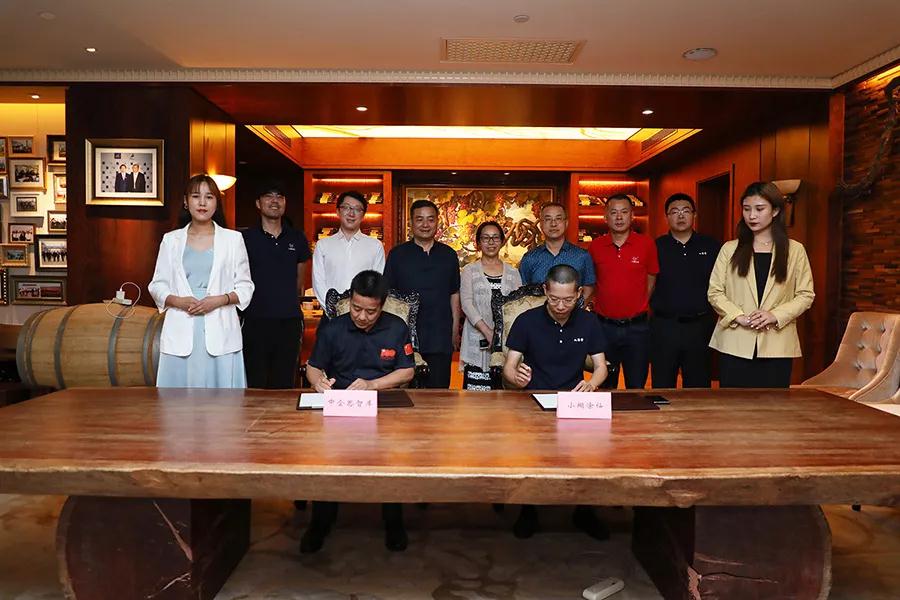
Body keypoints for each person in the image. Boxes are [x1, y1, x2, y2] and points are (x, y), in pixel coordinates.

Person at [303, 270, 415, 553]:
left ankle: (394, 521)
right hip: (340, 403)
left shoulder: (396, 327)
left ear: (382, 305)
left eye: (370, 311)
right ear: (351, 301)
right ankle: (320, 521)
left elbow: (407, 371)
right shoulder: (333, 329)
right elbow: (313, 367)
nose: (362, 316)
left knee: (391, 460)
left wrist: (372, 384)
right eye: (356, 308)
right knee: (326, 461)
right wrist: (318, 382)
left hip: (382, 405)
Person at [502, 264, 609, 540]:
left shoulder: (588, 322)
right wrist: (516, 377)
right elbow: (509, 366)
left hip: (574, 398)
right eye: (554, 299)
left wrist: (592, 384)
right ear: (545, 291)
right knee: (530, 454)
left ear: (579, 294)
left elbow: (601, 367)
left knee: (590, 454)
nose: (561, 306)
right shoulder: (527, 321)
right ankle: (528, 510)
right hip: (534, 399)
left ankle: (585, 510)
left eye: (568, 300)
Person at [149, 174, 254, 387]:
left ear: (217, 202)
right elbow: (157, 285)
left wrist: (220, 300)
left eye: (209, 197)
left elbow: (245, 287)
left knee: (223, 401)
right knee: (177, 402)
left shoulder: (233, 240)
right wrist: (178, 301)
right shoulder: (171, 240)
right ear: (186, 201)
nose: (202, 203)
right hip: (181, 325)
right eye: (196, 196)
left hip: (220, 328)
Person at [708, 181, 815, 388]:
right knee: (733, 404)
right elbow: (715, 291)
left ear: (775, 211)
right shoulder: (730, 249)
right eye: (746, 209)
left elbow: (805, 295)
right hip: (735, 342)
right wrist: (738, 316)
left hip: (777, 343)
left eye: (759, 209)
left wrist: (774, 315)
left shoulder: (795, 250)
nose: (752, 216)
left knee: (773, 404)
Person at [241, 180, 312, 388]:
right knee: (254, 382)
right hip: (254, 320)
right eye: (268, 196)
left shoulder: (297, 238)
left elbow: (299, 281)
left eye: (279, 196)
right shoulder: (244, 238)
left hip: (289, 321)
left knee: (285, 382)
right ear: (258, 203)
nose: (275, 201)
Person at [383, 199, 461, 389]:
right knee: (405, 391)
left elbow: (454, 294)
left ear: (437, 222)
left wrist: (454, 329)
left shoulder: (449, 255)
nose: (425, 224)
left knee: (439, 391)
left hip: (439, 333)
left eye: (430, 219)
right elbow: (389, 297)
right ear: (411, 222)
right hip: (404, 334)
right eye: (419, 219)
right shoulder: (397, 255)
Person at [650, 193, 721, 388]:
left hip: (700, 326)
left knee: (698, 386)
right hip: (664, 326)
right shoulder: (655, 246)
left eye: (686, 211)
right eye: (674, 212)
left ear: (694, 215)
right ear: (667, 216)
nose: (680, 215)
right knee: (662, 385)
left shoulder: (711, 246)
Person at [589, 194, 659, 389]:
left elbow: (651, 279)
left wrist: (637, 305)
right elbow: (592, 282)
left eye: (624, 212)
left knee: (636, 386)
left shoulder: (646, 244)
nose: (619, 217)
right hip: (604, 327)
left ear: (632, 216)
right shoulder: (596, 246)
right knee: (605, 386)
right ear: (605, 217)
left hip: (637, 328)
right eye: (613, 212)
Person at [459, 221, 522, 389]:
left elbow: (517, 306)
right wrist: (487, 331)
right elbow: (466, 304)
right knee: (476, 395)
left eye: (495, 238)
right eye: (485, 238)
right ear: (478, 243)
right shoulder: (469, 271)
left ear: (502, 241)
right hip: (476, 338)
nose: (491, 242)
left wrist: (501, 336)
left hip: (506, 341)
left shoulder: (513, 273)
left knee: (502, 393)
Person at [312, 191, 385, 313]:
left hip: (364, 316)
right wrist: (333, 310)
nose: (351, 213)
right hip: (331, 315)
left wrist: (360, 311)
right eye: (346, 207)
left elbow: (376, 283)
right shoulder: (323, 245)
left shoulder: (375, 246)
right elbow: (318, 283)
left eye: (357, 209)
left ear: (363, 215)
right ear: (338, 211)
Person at [518, 202, 595, 301]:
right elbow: (522, 291)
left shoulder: (582, 256)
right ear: (541, 224)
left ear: (566, 223)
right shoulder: (529, 258)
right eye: (548, 219)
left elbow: (588, 287)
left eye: (558, 219)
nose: (553, 224)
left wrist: (574, 307)